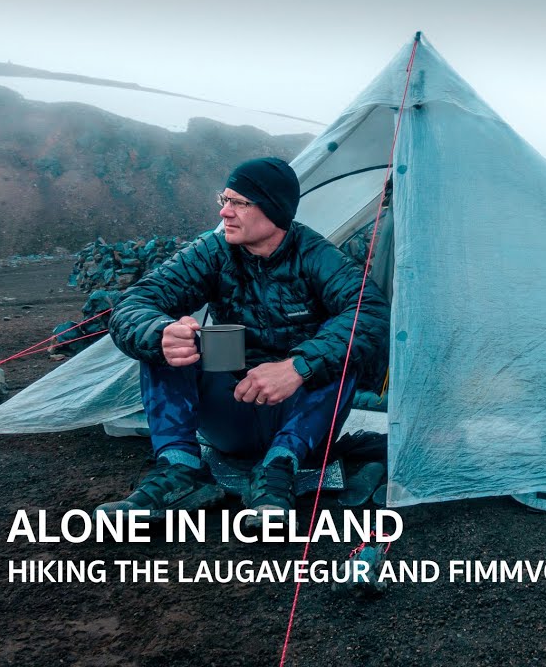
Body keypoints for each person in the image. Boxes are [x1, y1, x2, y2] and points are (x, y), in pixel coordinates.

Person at [96, 157, 390, 524]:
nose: (224, 213)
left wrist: (298, 367)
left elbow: (370, 312)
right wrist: (159, 333)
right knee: (170, 346)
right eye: (225, 199)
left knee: (340, 354)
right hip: (232, 410)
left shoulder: (317, 256)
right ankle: (180, 472)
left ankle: (277, 472)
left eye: (238, 203)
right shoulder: (213, 252)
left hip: (299, 421)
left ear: (273, 209)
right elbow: (135, 303)